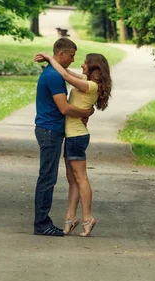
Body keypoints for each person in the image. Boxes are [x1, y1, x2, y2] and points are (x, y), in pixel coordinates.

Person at [34, 50, 112, 237]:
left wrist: (49, 58)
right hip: (72, 135)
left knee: (81, 178)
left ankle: (87, 218)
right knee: (73, 180)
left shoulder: (90, 86)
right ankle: (70, 220)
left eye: (85, 63)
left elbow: (65, 75)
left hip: (77, 136)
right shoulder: (88, 83)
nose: (82, 64)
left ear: (94, 67)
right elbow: (68, 74)